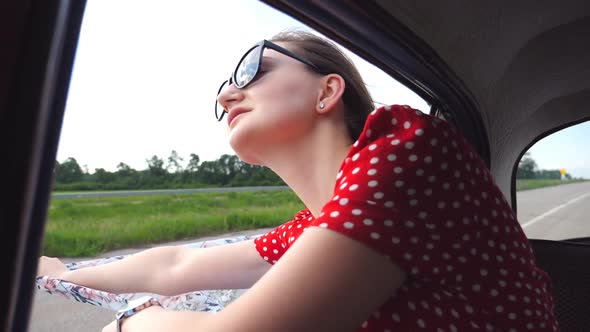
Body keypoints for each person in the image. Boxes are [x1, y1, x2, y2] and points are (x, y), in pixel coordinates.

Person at [38, 30, 559, 332]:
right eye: (222, 89)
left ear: (327, 90)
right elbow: (178, 263)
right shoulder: (322, 223)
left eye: (249, 71)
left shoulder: (406, 147)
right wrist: (60, 270)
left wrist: (134, 319)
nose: (226, 97)